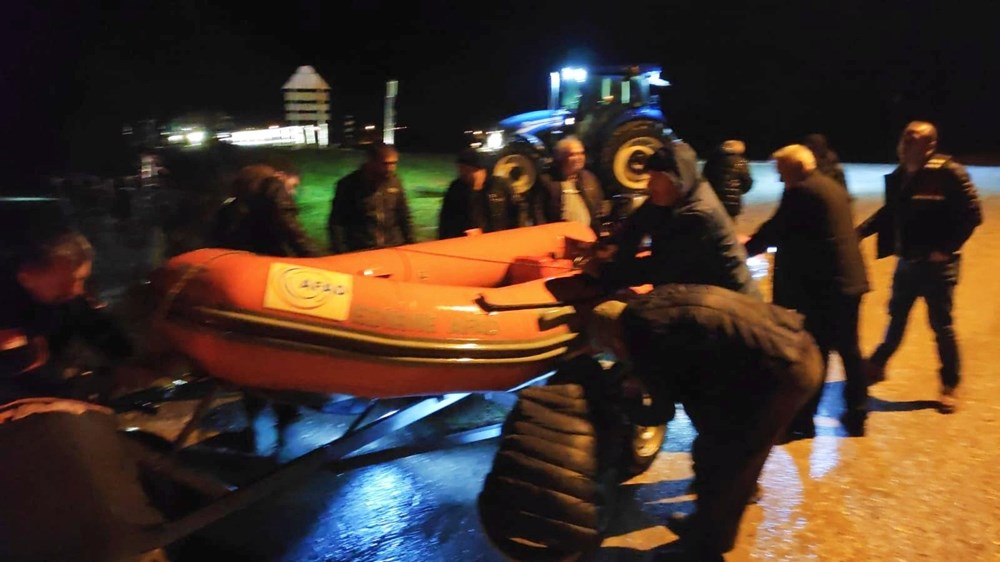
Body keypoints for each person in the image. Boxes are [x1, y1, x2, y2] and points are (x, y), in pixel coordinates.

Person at [596, 284, 824, 560]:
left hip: (781, 375)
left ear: (616, 340)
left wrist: (629, 405)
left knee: (721, 461)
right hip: (797, 347)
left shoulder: (643, 338)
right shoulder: (652, 306)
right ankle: (711, 524)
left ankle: (707, 549)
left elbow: (661, 414)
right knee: (729, 454)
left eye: (612, 350)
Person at [744, 144, 870, 437]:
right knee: (848, 351)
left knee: (818, 353)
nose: (778, 179)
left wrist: (741, 251)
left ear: (796, 168)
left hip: (827, 287)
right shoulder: (829, 185)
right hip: (848, 281)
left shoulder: (801, 192)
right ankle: (856, 415)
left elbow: (775, 229)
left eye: (781, 172)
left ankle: (804, 422)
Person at [857, 121, 982, 413]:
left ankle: (950, 385)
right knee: (896, 317)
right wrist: (860, 232)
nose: (905, 143)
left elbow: (973, 214)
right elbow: (890, 212)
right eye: (904, 137)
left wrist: (946, 248)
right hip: (908, 262)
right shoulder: (902, 174)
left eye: (912, 139)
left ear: (929, 145)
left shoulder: (949, 172)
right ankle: (877, 365)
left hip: (938, 267)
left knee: (942, 326)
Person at [588, 141, 760, 299]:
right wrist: (614, 247)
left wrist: (605, 273)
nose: (649, 185)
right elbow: (636, 225)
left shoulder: (698, 215)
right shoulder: (670, 195)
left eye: (655, 179)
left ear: (676, 180)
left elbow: (662, 267)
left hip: (730, 302)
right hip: (701, 294)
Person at [1, 229, 149, 404]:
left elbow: (104, 333)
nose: (77, 290)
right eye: (68, 282)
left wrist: (137, 362)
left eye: (82, 280)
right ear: (26, 277)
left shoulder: (69, 300)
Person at [211, 156, 321, 257]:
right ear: (280, 176)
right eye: (293, 186)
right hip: (266, 261)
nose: (293, 192)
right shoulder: (274, 186)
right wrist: (317, 259)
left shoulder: (236, 200)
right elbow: (290, 228)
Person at [327, 142, 414, 253]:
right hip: (363, 249)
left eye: (394, 163)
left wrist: (411, 243)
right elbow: (337, 222)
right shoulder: (349, 185)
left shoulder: (395, 182)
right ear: (371, 162)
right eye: (385, 164)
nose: (390, 168)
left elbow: (404, 215)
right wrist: (340, 251)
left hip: (393, 246)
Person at [438, 148, 521, 239]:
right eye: (460, 169)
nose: (462, 174)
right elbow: (446, 220)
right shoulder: (456, 189)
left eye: (467, 170)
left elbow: (515, 213)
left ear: (481, 170)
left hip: (500, 240)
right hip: (468, 242)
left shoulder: (500, 186)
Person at [530, 136, 606, 234]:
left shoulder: (589, 178)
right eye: (573, 154)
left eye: (581, 153)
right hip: (559, 239)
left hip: (587, 238)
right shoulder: (547, 181)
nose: (579, 158)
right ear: (560, 157)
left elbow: (598, 208)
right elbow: (538, 214)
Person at [701, 139, 754, 221]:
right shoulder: (741, 162)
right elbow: (747, 182)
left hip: (713, 200)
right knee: (729, 229)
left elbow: (704, 178)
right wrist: (738, 191)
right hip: (732, 203)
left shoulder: (712, 161)